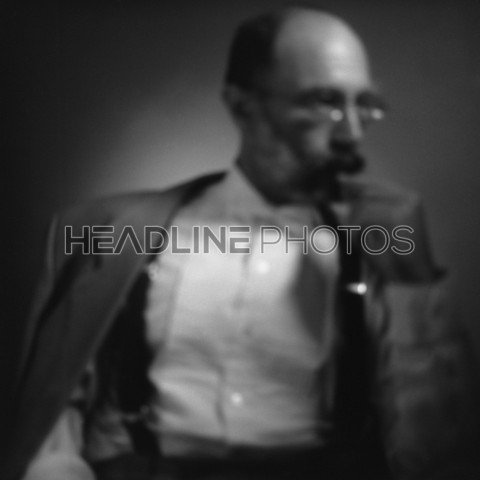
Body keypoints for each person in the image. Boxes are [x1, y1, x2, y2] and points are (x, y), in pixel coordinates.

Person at [2, 5, 479, 480]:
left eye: (365, 104)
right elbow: (53, 426)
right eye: (324, 102)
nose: (352, 132)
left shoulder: (382, 247)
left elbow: (438, 452)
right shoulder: (111, 231)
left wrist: (410, 279)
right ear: (242, 105)